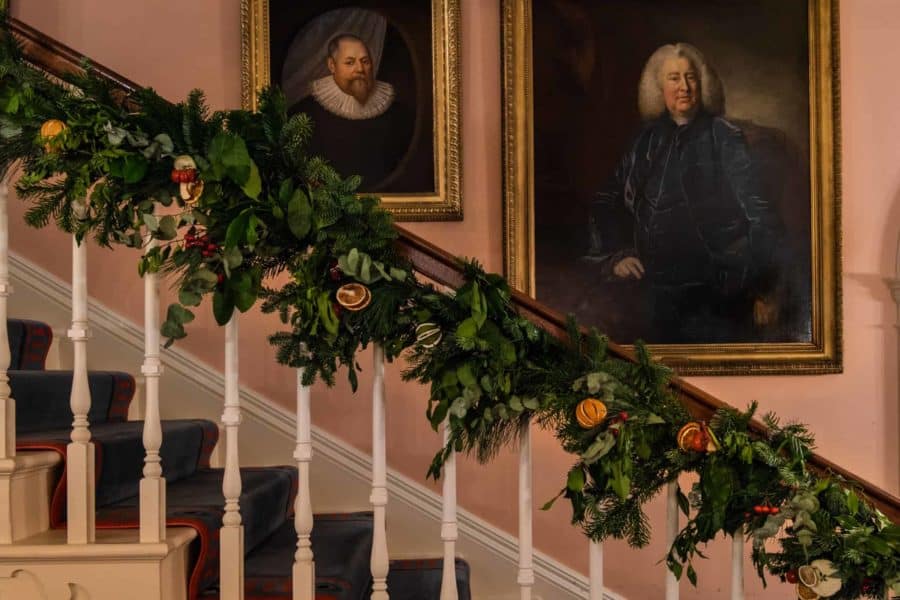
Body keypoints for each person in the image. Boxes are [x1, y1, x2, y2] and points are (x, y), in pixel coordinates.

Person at [587, 43, 780, 343]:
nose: (684, 87)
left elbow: (761, 214)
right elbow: (605, 202)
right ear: (658, 87)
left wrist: (763, 286)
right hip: (650, 292)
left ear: (702, 85)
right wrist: (616, 255)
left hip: (717, 293)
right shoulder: (644, 143)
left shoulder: (724, 138)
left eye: (691, 77)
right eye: (674, 78)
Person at [291, 33, 413, 192]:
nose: (360, 69)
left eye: (365, 61)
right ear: (332, 66)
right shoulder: (304, 112)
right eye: (350, 62)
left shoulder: (398, 113)